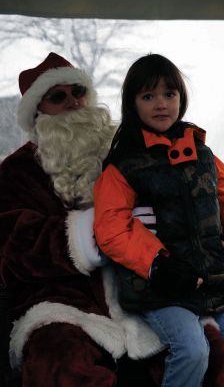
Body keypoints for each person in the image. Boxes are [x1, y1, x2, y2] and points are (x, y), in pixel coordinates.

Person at [0, 52, 171, 387]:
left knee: (210, 352)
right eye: (57, 97)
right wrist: (96, 234)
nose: (72, 103)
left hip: (138, 294)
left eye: (77, 91)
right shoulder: (14, 173)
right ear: (38, 112)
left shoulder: (123, 152)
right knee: (59, 366)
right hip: (61, 303)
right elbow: (11, 247)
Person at [93, 53, 224, 387]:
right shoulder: (124, 164)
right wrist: (159, 265)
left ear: (181, 99)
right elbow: (111, 227)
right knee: (193, 352)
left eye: (169, 94)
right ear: (132, 103)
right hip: (162, 288)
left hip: (215, 283)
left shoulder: (202, 154)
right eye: (148, 96)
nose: (161, 104)